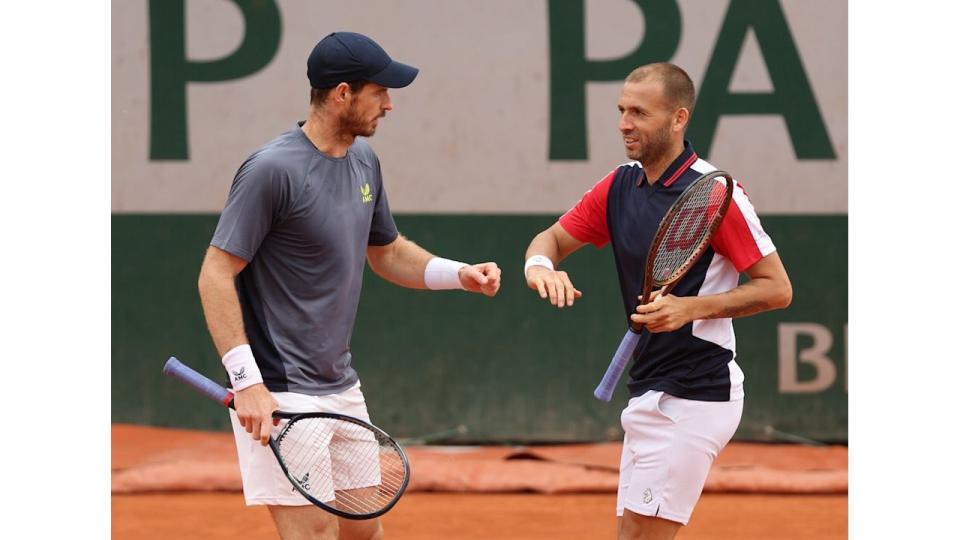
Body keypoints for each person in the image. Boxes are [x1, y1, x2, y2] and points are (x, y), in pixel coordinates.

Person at [198, 31, 501, 540]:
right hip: (281, 389)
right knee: (313, 535)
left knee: (363, 533)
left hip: (340, 385)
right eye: (379, 91)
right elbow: (215, 273)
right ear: (342, 93)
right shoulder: (271, 170)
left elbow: (386, 251)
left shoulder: (364, 162)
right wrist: (248, 383)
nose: (388, 104)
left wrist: (459, 274)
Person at [523, 62, 792, 539]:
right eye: (622, 110)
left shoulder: (714, 194)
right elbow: (551, 240)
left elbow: (776, 287)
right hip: (649, 388)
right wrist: (542, 268)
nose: (625, 123)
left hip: (696, 392)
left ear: (678, 118)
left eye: (640, 112)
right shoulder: (620, 185)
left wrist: (690, 308)